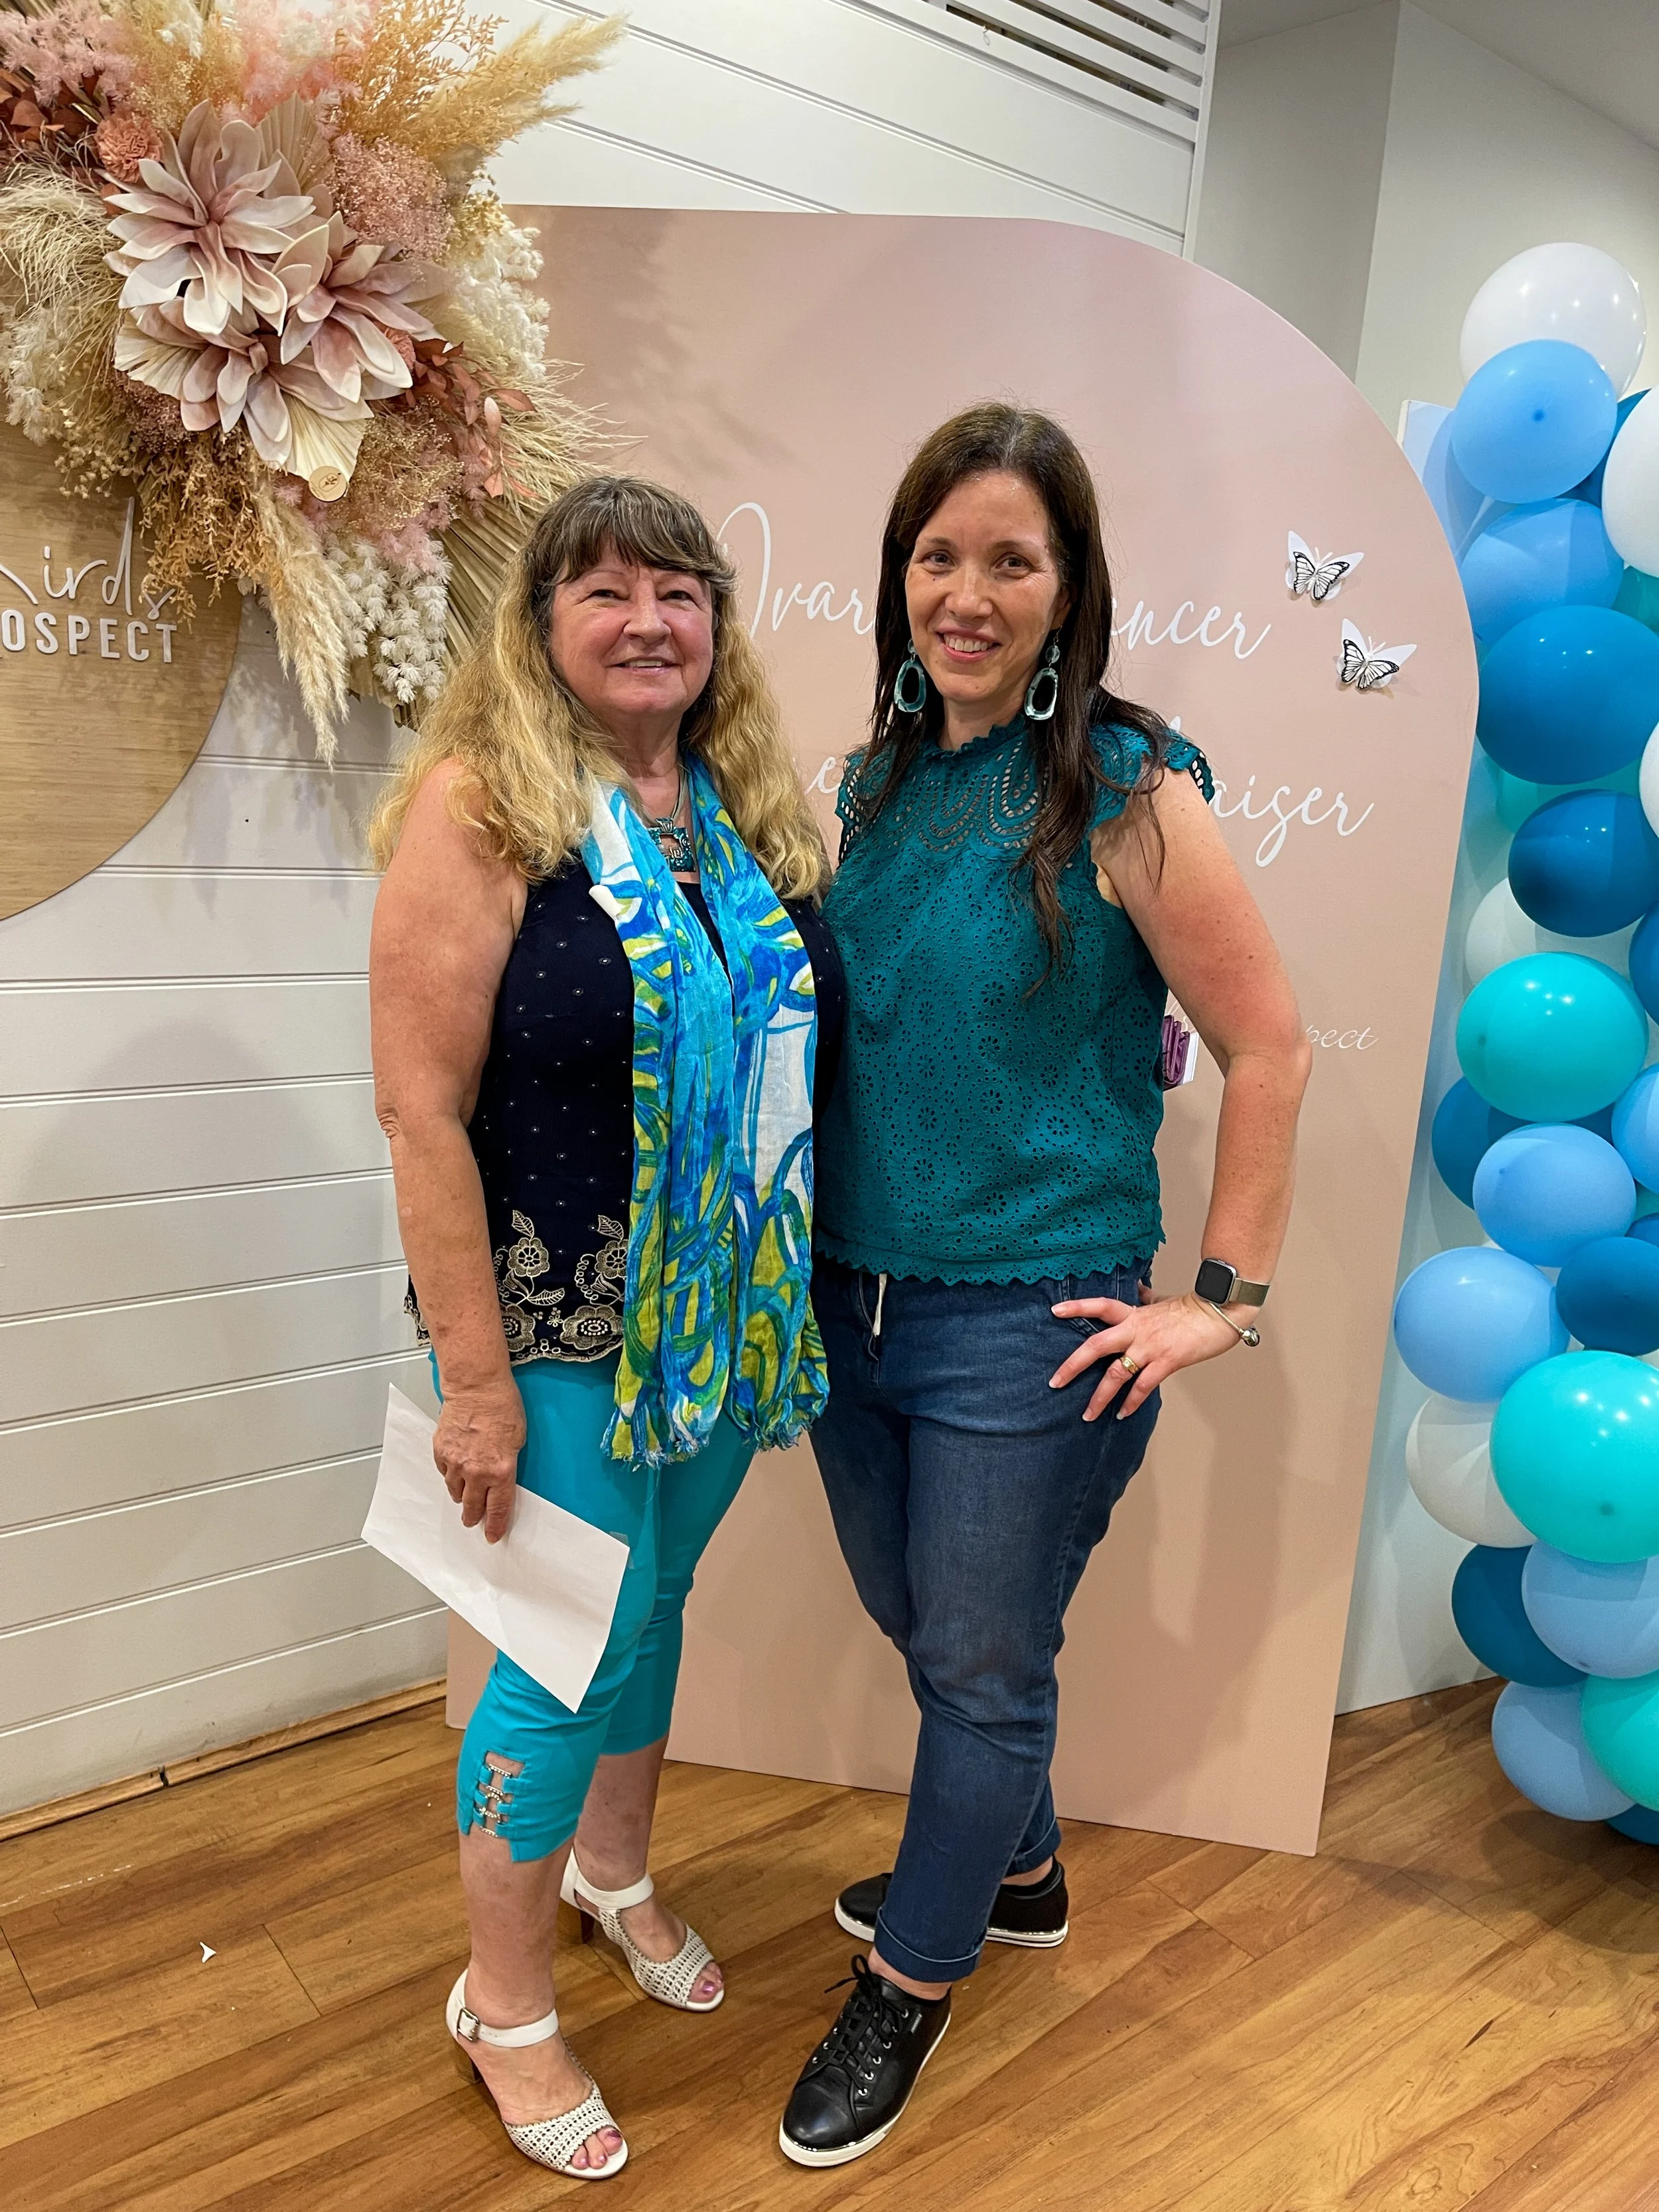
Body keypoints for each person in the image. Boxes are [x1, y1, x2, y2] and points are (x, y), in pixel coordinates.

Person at [778, 404, 1311, 2168]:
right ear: (899, 578)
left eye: (1010, 556)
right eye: (938, 554)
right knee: (921, 1620)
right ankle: (1015, 1866)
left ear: (1069, 585)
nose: (966, 589)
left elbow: (1269, 1049)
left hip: (1036, 1312)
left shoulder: (1127, 785)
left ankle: (914, 1983)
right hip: (852, 1303)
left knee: (984, 1665)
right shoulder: (875, 784)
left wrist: (1219, 1300)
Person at [369, 475, 842, 2180]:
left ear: (716, 625)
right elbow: (422, 1110)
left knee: (653, 1613)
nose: (647, 619)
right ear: (542, 626)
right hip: (554, 1326)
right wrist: (474, 1383)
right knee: (556, 1665)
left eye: (679, 590)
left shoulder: (743, 819)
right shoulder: (486, 807)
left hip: (722, 1320)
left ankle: (612, 1874)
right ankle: (500, 2005)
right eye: (605, 592)